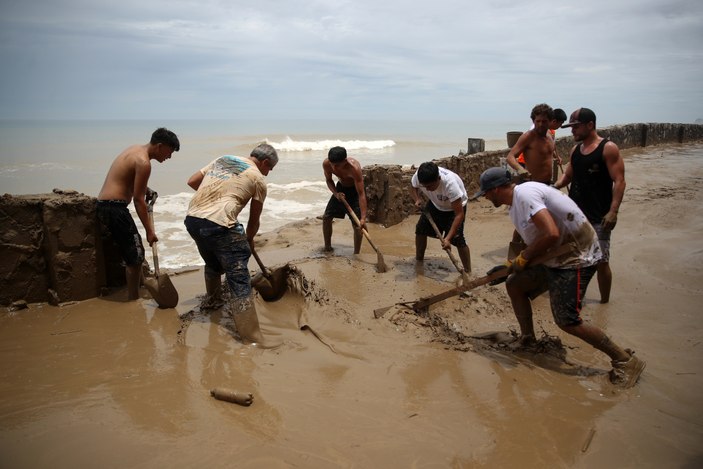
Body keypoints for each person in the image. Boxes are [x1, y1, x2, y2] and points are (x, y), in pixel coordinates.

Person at [473, 167, 644, 387]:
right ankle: (527, 339)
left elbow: (551, 233)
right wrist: (510, 266)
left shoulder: (524, 194)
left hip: (576, 257)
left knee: (567, 320)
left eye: (485, 193)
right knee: (515, 283)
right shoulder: (516, 204)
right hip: (555, 257)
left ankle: (625, 359)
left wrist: (523, 259)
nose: (485, 197)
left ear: (495, 189)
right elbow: (534, 238)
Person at [184, 143, 278, 346]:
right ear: (265, 162)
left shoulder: (223, 159)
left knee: (214, 263)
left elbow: (192, 181)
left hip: (193, 219)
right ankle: (251, 336)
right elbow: (254, 220)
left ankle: (214, 301)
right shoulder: (258, 179)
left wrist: (214, 198)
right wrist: (250, 239)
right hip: (220, 224)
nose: (268, 173)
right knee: (239, 277)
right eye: (270, 169)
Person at [97, 127, 180, 300]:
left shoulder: (134, 150)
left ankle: (140, 289)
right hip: (115, 208)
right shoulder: (144, 163)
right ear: (159, 146)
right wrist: (150, 231)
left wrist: (146, 189)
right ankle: (133, 299)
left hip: (105, 205)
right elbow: (138, 200)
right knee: (135, 256)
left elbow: (127, 180)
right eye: (169, 152)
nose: (169, 157)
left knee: (135, 250)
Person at [554, 108, 625, 303]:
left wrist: (613, 211)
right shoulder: (576, 150)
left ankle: (604, 302)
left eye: (575, 127)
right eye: (571, 127)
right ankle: (575, 296)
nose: (572, 131)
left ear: (590, 125)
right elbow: (568, 176)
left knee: (601, 261)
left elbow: (619, 181)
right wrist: (553, 187)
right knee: (574, 259)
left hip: (599, 216)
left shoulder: (608, 148)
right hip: (576, 216)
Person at [411, 161, 471, 273]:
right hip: (435, 204)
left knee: (457, 239)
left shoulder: (450, 185)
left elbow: (459, 215)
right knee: (420, 229)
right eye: (425, 186)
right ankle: (419, 260)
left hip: (455, 208)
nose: (427, 189)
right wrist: (417, 199)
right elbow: (413, 187)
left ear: (438, 178)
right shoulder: (419, 176)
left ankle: (468, 271)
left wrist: (447, 239)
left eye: (430, 186)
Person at [322, 146, 368, 254]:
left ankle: (356, 253)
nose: (334, 167)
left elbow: (361, 194)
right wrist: (336, 194)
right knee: (326, 217)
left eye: (337, 165)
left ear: (345, 161)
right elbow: (329, 180)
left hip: (355, 192)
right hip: (340, 189)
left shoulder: (354, 168)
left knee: (358, 226)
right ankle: (327, 247)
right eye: (332, 164)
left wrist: (363, 218)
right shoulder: (327, 164)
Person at [506, 104, 558, 184]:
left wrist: (557, 157)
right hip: (532, 183)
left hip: (547, 182)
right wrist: (520, 169)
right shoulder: (528, 137)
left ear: (550, 121)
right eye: (538, 121)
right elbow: (510, 157)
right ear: (533, 121)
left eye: (544, 121)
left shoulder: (549, 134)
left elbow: (549, 151)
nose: (540, 124)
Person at [516, 108, 568, 183]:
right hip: (526, 162)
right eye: (560, 124)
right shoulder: (535, 130)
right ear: (554, 121)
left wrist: (556, 156)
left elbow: (551, 146)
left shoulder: (551, 131)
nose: (560, 126)